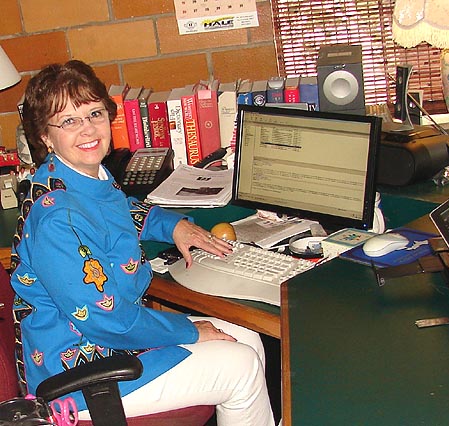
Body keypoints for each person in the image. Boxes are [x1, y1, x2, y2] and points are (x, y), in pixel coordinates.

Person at [10, 60, 275, 425]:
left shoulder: (84, 176)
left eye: (94, 113)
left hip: (112, 338)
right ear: (45, 136)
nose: (87, 129)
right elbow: (106, 320)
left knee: (246, 336)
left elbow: (118, 210)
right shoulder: (57, 219)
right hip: (77, 371)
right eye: (69, 121)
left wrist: (173, 226)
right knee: (240, 365)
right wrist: (189, 330)